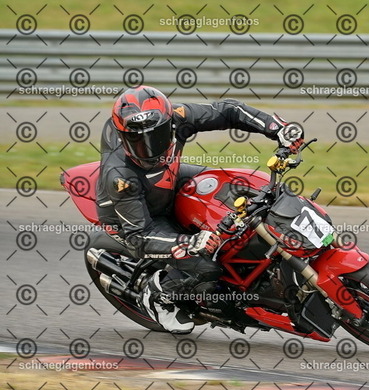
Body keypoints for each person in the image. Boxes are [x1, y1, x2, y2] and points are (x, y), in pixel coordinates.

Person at [95, 85, 303, 334]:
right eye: (137, 141)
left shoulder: (177, 116)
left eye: (156, 136)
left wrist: (276, 127)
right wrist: (190, 242)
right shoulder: (120, 176)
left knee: (237, 186)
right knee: (207, 264)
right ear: (123, 136)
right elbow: (138, 237)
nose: (149, 148)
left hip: (168, 179)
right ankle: (157, 296)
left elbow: (228, 110)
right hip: (138, 213)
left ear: (170, 124)